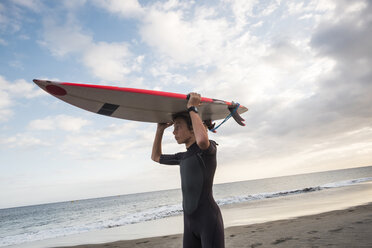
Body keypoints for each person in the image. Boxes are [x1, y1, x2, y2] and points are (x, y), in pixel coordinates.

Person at [151, 92, 225, 248]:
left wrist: (192, 109)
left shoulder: (207, 150)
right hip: (189, 223)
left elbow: (202, 140)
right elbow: (156, 156)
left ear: (192, 130)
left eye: (178, 127)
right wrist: (160, 130)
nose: (174, 132)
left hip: (208, 221)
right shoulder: (181, 157)